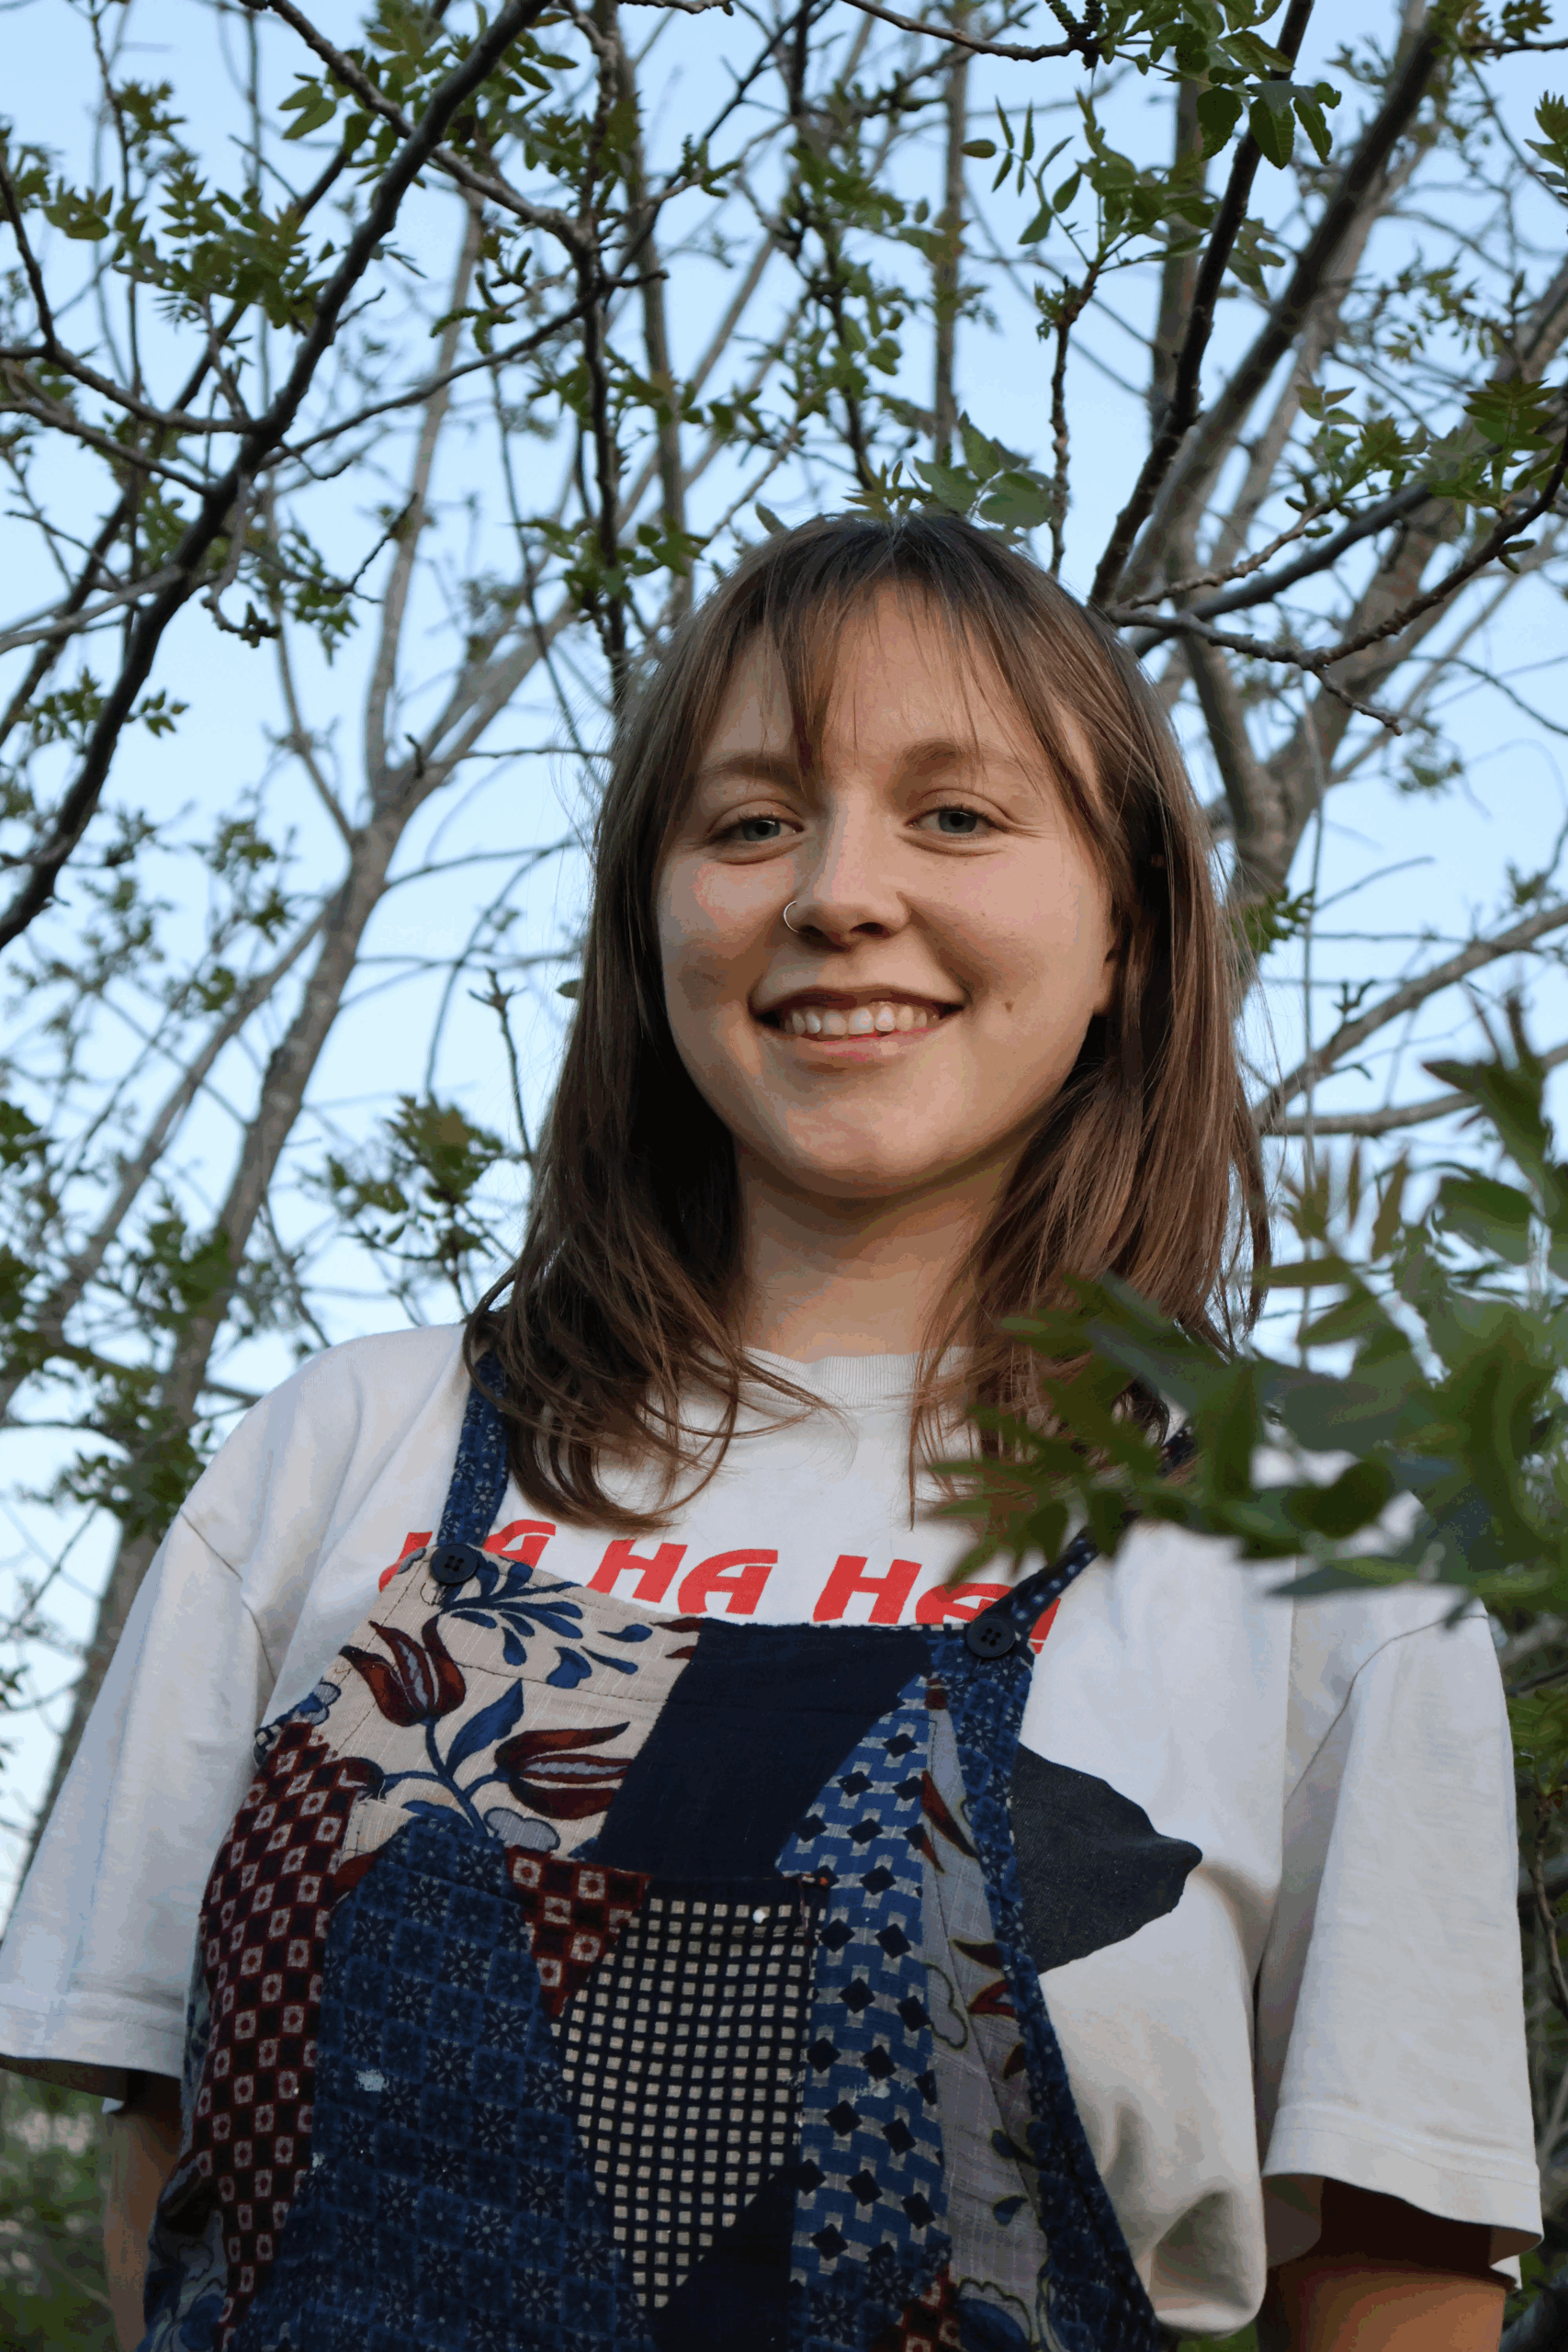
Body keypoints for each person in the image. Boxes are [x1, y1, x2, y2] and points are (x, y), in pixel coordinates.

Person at [0, 513, 1538, 2352]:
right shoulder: (344, 1447)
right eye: (747, 823)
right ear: (652, 920)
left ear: (1125, 928)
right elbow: (164, 2166)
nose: (836, 891)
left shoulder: (1320, 1559)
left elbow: (1394, 2271)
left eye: (953, 814)